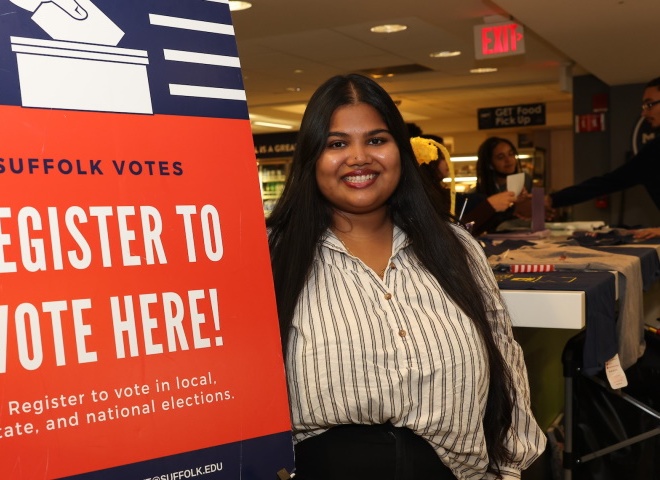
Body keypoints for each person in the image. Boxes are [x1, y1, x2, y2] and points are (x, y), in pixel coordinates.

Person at [266, 74, 545, 479]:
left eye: (377, 140)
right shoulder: (271, 254)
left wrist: (509, 469)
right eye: (337, 143)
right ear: (312, 156)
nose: (359, 157)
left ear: (400, 149)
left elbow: (505, 361)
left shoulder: (456, 247)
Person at [549, 76, 660, 210]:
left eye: (649, 105)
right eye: (644, 106)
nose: (644, 113)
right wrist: (550, 200)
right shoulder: (653, 151)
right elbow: (609, 182)